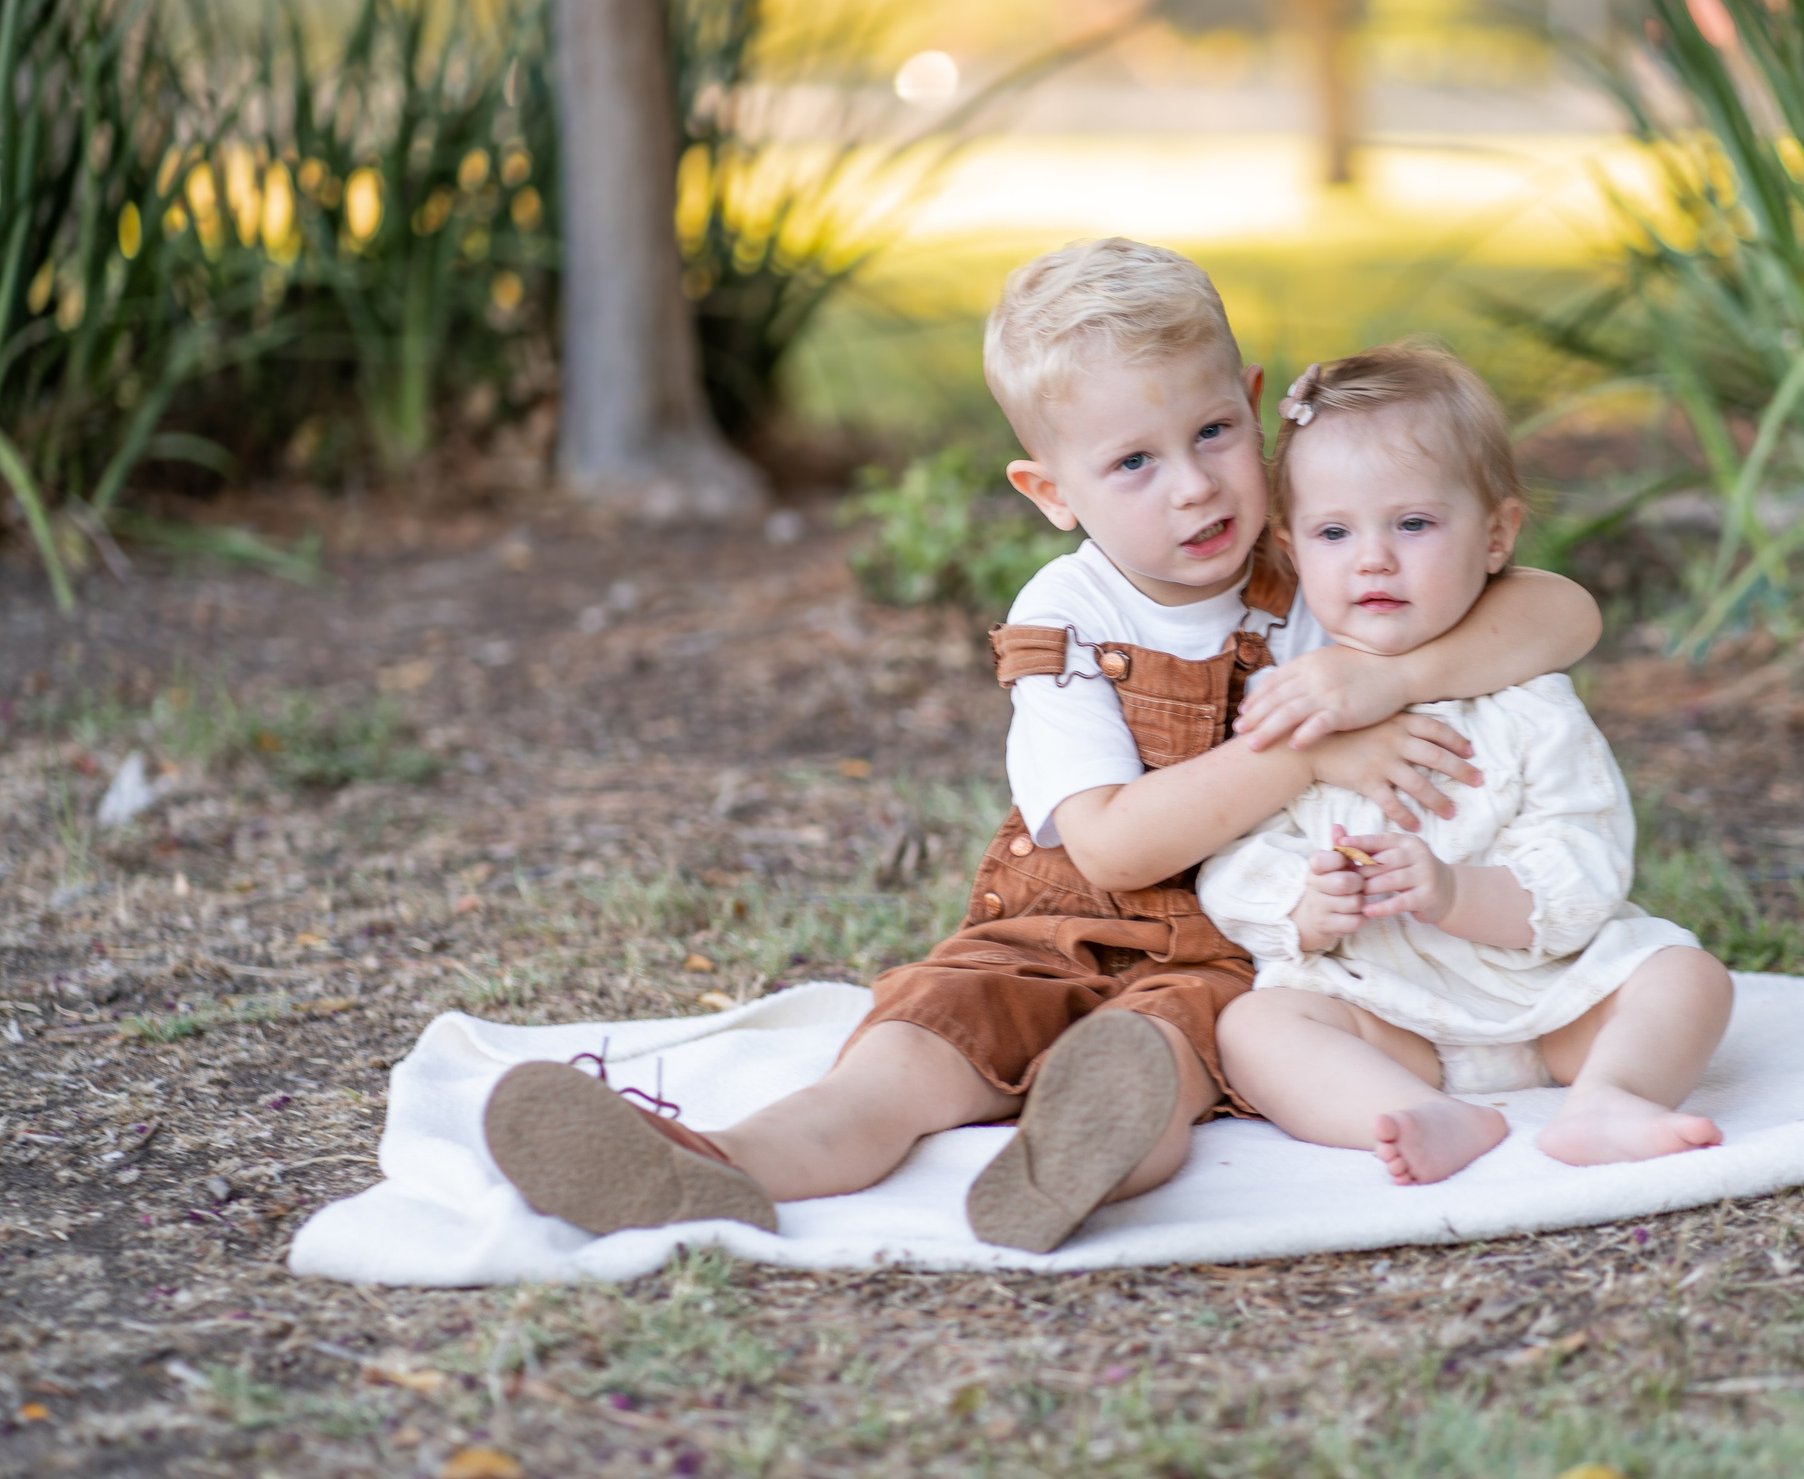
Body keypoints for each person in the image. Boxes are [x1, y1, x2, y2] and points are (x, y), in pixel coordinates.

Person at [478, 240, 1605, 1250]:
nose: (1194, 484)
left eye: (1214, 432)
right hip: (1048, 922)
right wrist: (1309, 751)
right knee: (921, 1038)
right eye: (1133, 463)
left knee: (1155, 1060)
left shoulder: (1324, 554)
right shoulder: (1066, 621)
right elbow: (1109, 848)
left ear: (1254, 410)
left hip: (1234, 947)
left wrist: (1380, 675)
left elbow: (1564, 613)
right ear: (1048, 491)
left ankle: (1065, 1160)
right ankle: (721, 1164)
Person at [1199, 344, 1734, 1187]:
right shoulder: (1292, 699)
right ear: (1292, 549)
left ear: (1496, 536)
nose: (1373, 558)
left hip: (1549, 1002)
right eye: (1335, 532)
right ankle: (1422, 1112)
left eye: (1412, 524)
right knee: (1257, 1029)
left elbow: (1584, 855)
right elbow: (1233, 852)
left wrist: (1456, 895)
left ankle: (1609, 1096)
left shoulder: (1524, 697)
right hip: (1384, 1007)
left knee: (1687, 977)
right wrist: (1305, 906)